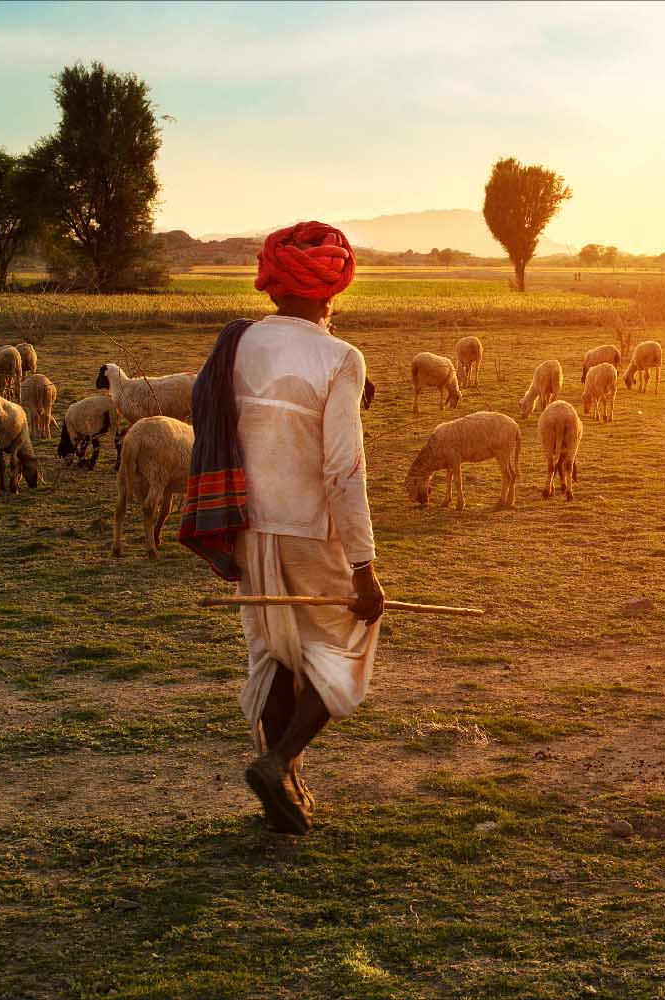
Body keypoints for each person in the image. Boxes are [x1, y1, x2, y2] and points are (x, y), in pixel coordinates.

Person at [181, 220, 384, 834]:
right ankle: (278, 762)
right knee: (344, 648)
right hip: (308, 528)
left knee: (273, 652)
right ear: (335, 290)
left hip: (246, 521)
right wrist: (363, 565)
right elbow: (344, 468)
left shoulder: (239, 343)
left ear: (270, 285)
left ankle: (285, 787)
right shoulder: (341, 357)